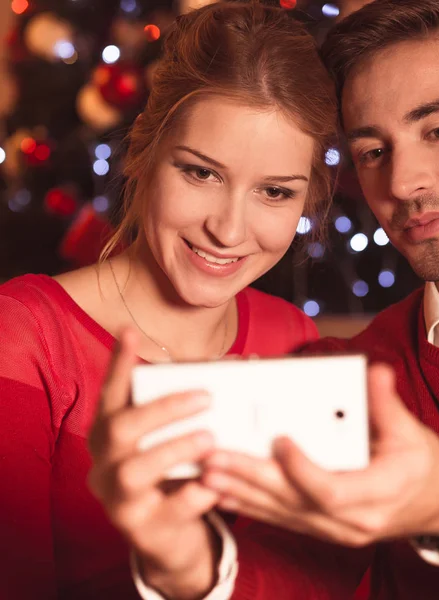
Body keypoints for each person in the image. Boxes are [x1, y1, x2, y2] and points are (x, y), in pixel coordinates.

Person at [89, 0, 439, 598]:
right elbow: (293, 575)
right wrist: (186, 565)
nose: (402, 183)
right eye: (372, 152)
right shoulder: (345, 377)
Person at [0, 2, 341, 598]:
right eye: (200, 174)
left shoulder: (298, 342)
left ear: (307, 200)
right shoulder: (24, 336)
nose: (229, 231)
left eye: (274, 192)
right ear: (145, 153)